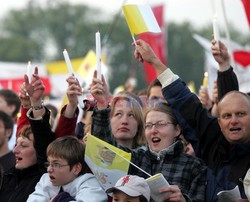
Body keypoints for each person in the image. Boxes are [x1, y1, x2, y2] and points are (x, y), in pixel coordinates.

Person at [132, 38, 250, 199]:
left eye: (241, 114)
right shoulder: (213, 144)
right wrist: (154, 62)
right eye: (227, 116)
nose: (233, 120)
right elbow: (186, 103)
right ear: (219, 122)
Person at [90, 73, 207, 201]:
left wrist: (184, 200)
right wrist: (101, 105)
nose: (153, 130)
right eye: (148, 125)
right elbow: (105, 149)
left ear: (177, 129)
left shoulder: (194, 166)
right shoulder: (137, 159)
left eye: (160, 124)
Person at [27, 136, 107, 202]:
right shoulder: (46, 179)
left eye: (56, 164)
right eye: (49, 163)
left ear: (76, 168)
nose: (49, 169)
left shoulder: (90, 184)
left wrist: (60, 199)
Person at [89, 73, 146, 149]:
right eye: (118, 114)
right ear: (108, 120)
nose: (124, 121)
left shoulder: (147, 158)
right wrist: (102, 104)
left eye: (131, 115)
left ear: (139, 124)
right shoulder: (91, 155)